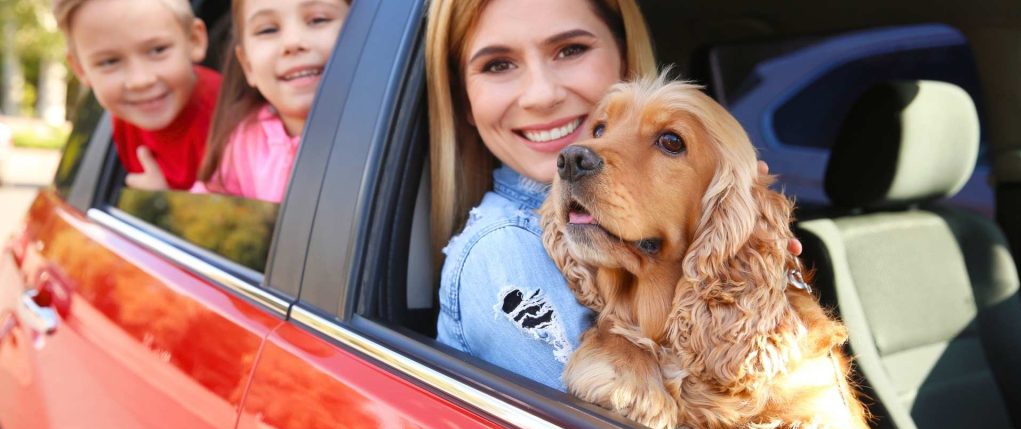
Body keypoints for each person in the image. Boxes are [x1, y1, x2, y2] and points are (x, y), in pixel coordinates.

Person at [427, 0, 800, 391]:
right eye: (498, 65)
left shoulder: (710, 207)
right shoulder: (503, 249)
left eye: (571, 50)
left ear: (625, 60)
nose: (541, 95)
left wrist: (751, 245)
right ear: (464, 98)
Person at [55, 0, 221, 191]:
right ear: (80, 69)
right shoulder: (122, 122)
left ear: (194, 40)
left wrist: (161, 201)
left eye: (158, 50)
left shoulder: (232, 119)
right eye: (109, 62)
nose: (139, 81)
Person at [194, 0, 349, 203]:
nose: (292, 43)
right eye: (268, 30)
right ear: (247, 65)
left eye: (318, 20)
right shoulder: (243, 141)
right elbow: (210, 206)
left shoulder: (388, 134)